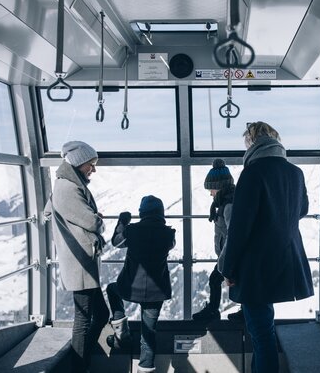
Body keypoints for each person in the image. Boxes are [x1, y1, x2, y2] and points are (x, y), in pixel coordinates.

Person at [219, 122, 314, 373]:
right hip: (286, 258)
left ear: (252, 142)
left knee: (262, 336)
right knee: (263, 332)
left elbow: (239, 228)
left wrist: (228, 268)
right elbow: (302, 209)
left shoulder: (252, 172)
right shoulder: (296, 172)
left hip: (255, 268)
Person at [44, 141, 109, 373]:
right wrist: (97, 219)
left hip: (82, 261)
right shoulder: (68, 188)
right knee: (83, 320)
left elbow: (49, 210)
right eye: (91, 164)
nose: (93, 169)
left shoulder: (66, 185)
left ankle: (83, 361)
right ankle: (79, 368)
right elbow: (91, 222)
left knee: (100, 314)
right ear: (78, 163)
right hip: (80, 262)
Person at [106, 195, 176, 373]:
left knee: (112, 290)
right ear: (161, 213)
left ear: (142, 213)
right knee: (149, 332)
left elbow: (116, 242)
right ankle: (145, 368)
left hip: (130, 287)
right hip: (157, 291)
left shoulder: (132, 230)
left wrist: (123, 221)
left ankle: (121, 332)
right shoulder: (168, 234)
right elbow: (171, 245)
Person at [192, 159, 243, 322]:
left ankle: (217, 311)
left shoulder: (229, 206)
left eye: (212, 189)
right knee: (217, 280)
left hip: (231, 255)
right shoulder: (226, 202)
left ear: (219, 187)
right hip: (229, 254)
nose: (210, 193)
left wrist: (224, 265)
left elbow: (233, 235)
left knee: (218, 279)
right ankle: (242, 310)